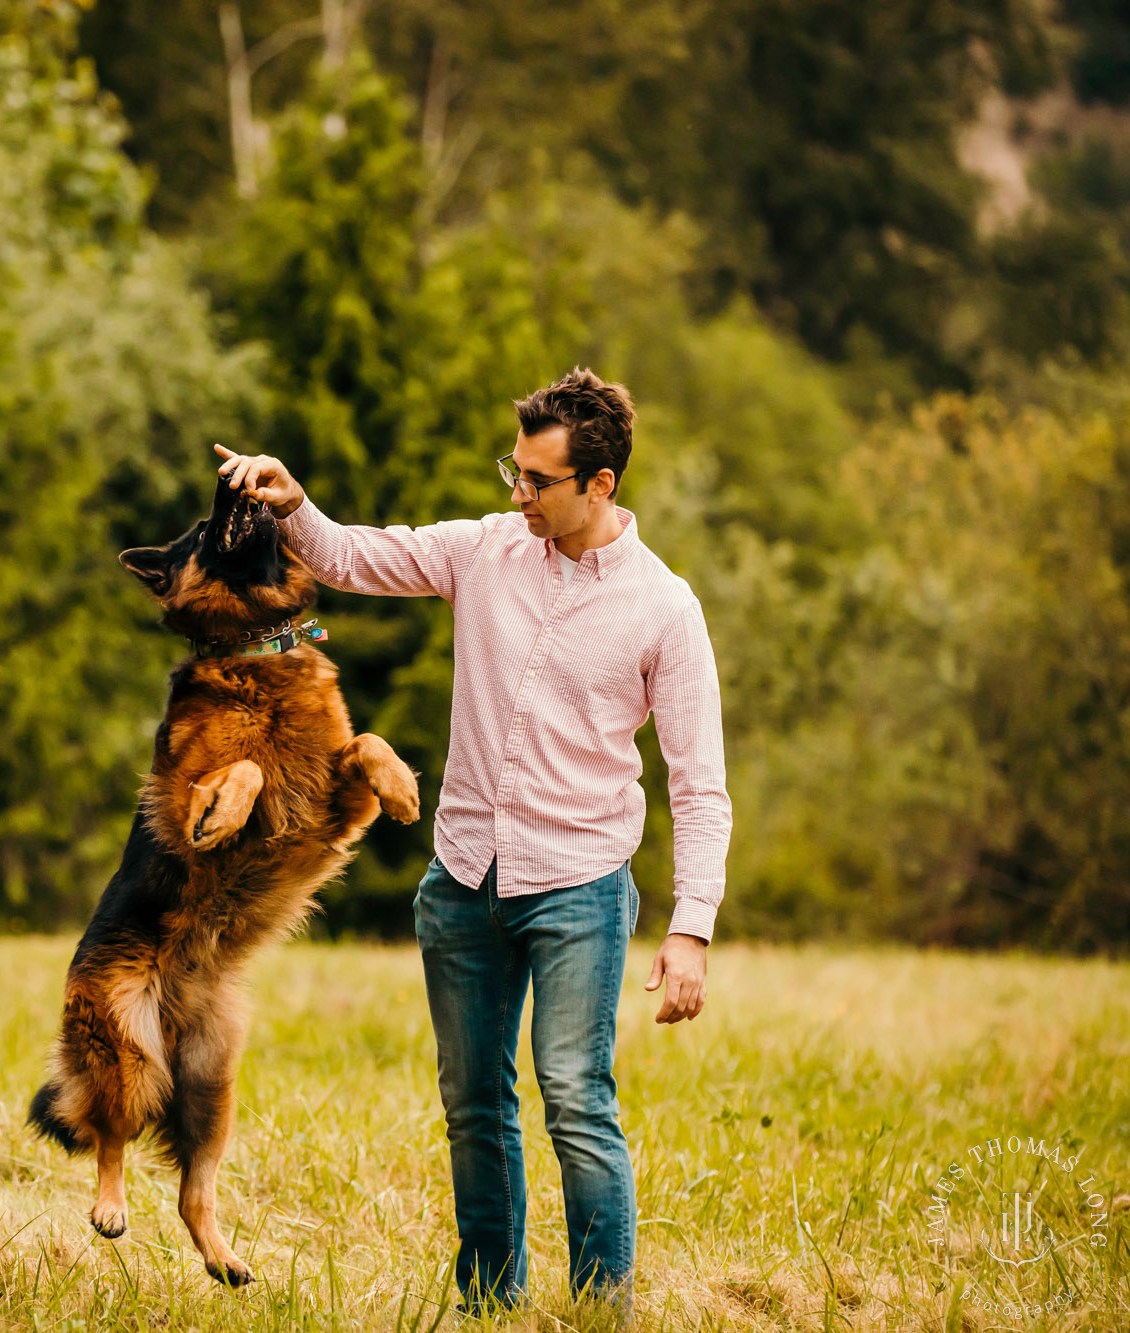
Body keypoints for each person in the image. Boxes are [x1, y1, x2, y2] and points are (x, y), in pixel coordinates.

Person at [216, 368, 731, 1324]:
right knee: (474, 1107)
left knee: (576, 1098)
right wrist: (295, 506)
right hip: (462, 879)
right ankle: (491, 1303)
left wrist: (691, 925)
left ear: (601, 484)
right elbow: (356, 556)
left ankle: (598, 1308)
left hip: (580, 883)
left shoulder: (665, 607)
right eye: (515, 471)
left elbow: (700, 783)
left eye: (537, 480)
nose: (517, 494)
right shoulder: (485, 548)